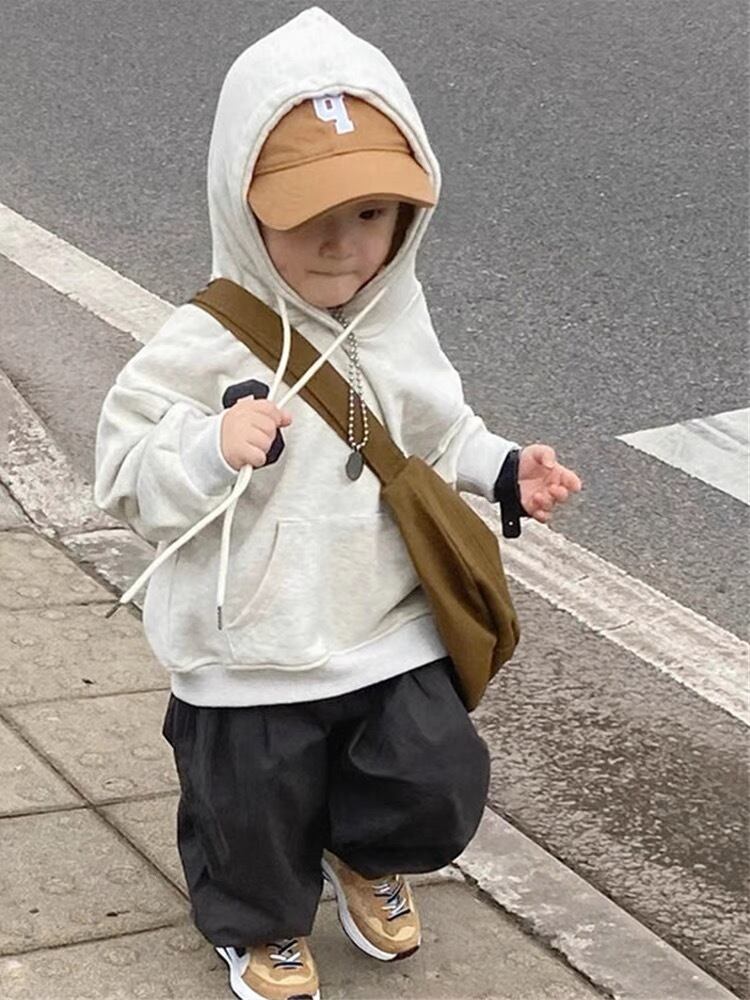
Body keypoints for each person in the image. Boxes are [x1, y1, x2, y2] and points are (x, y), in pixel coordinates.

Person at [94, 7, 582, 1000]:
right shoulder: (204, 336)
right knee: (251, 808)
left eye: (370, 213)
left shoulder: (395, 313)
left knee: (432, 773)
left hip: (380, 614)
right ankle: (261, 924)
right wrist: (207, 446)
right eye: (306, 212)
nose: (341, 243)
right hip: (250, 640)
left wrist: (501, 470)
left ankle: (366, 853)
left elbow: (434, 427)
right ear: (242, 205)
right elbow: (124, 464)